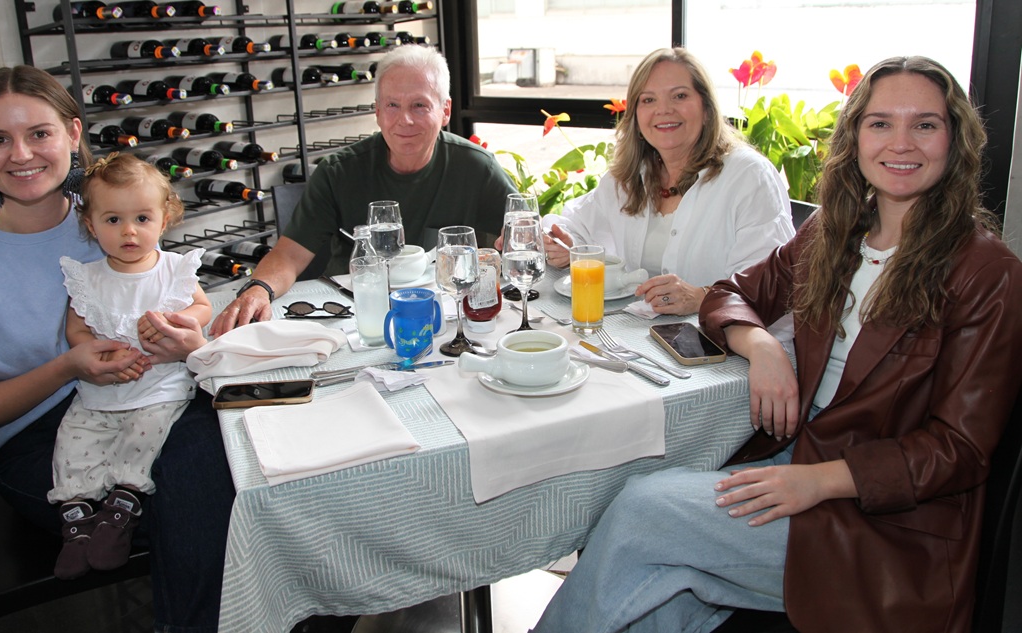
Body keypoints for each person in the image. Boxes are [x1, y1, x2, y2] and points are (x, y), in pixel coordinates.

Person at [532, 56, 1022, 633]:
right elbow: (731, 293)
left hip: (887, 525)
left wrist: (818, 481)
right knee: (655, 582)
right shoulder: (836, 234)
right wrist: (760, 343)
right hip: (801, 456)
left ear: (954, 138)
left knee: (644, 513)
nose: (901, 142)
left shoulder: (987, 271)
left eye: (925, 124)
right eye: (881, 123)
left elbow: (958, 451)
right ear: (856, 136)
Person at [0, 65, 234, 631]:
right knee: (205, 495)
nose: (21, 154)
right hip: (40, 442)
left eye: (39, 133)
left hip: (155, 397)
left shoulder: (113, 210)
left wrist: (188, 341)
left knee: (247, 457)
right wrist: (66, 367)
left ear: (73, 135)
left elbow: (183, 297)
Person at [211, 44, 516, 335]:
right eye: (392, 105)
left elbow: (523, 238)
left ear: (445, 110)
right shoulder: (337, 171)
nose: (404, 120)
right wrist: (259, 289)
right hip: (354, 316)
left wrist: (549, 249)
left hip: (442, 317)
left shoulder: (477, 167)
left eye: (419, 105)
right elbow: (290, 254)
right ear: (378, 112)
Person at [49, 152, 212, 581]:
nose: (129, 231)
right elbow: (76, 331)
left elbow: (202, 307)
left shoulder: (174, 271)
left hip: (159, 386)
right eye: (113, 220)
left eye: (142, 218)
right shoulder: (88, 279)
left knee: (149, 432)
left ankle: (123, 504)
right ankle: (78, 518)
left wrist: (180, 322)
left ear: (165, 218)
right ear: (91, 224)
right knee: (73, 437)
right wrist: (97, 351)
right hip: (102, 390)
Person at [543, 47, 794, 316]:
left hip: (728, 345)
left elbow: (773, 285)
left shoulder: (749, 176)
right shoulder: (628, 177)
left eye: (680, 96)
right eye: (648, 100)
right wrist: (563, 244)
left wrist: (702, 297)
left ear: (707, 108)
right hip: (643, 340)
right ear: (636, 116)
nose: (663, 110)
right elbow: (574, 226)